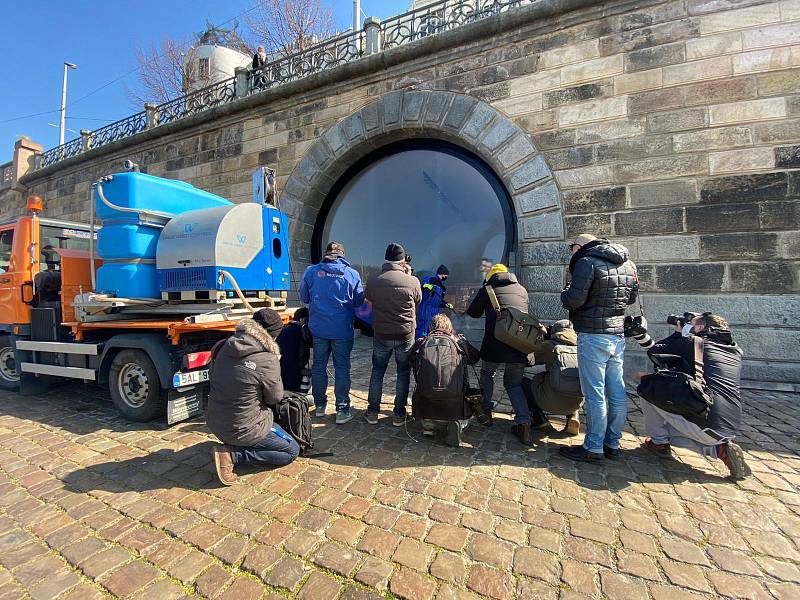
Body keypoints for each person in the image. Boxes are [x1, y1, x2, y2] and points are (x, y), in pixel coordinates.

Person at [639, 313, 750, 480]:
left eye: (691, 323)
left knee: (648, 386)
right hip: (731, 423)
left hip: (707, 419)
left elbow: (655, 352)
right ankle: (719, 448)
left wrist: (678, 333)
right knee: (683, 426)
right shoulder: (734, 350)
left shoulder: (693, 342)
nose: (688, 326)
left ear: (700, 328)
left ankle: (659, 443)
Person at [559, 234, 638, 463]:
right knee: (616, 391)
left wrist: (565, 291)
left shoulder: (587, 262)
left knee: (594, 393)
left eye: (572, 247)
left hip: (593, 335)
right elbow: (631, 298)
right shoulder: (628, 263)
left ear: (581, 246)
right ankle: (612, 443)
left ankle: (593, 447)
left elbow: (573, 300)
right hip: (617, 334)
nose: (572, 252)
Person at [207, 309, 299, 485]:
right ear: (273, 335)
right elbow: (275, 398)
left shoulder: (221, 346)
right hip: (245, 428)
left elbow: (213, 378)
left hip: (215, 422)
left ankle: (233, 446)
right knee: (291, 451)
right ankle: (232, 455)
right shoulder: (267, 359)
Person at [466, 263, 533, 444]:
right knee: (513, 384)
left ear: (491, 277)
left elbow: (472, 313)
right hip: (519, 344)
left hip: (495, 344)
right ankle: (524, 423)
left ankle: (486, 412)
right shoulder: (522, 290)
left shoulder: (488, 290)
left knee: (487, 373)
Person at [299, 242, 364, 424]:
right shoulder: (352, 274)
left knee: (319, 366)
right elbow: (359, 302)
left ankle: (320, 406)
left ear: (326, 253)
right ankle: (342, 410)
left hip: (318, 329)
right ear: (342, 255)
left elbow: (304, 297)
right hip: (342, 329)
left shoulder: (311, 271)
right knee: (342, 368)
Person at [365, 243, 422, 426]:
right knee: (403, 373)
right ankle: (398, 414)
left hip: (381, 334)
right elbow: (418, 300)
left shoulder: (374, 280)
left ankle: (373, 411)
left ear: (385, 259)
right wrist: (408, 276)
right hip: (405, 335)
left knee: (377, 371)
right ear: (403, 261)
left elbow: (369, 298)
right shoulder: (413, 281)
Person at [412, 313, 481, 446]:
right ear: (450, 327)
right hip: (454, 398)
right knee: (465, 392)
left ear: (430, 327)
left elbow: (412, 363)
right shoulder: (459, 342)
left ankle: (428, 423)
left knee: (420, 388)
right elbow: (475, 358)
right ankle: (457, 423)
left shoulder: (421, 343)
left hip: (426, 395)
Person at [524, 319, 583, 435]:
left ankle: (538, 418)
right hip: (576, 403)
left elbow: (528, 361)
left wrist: (538, 343)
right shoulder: (583, 348)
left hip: (549, 401)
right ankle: (573, 416)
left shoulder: (550, 346)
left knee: (520, 382)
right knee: (574, 380)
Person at [276, 307, 312, 393]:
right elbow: (312, 343)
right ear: (304, 320)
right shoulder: (302, 332)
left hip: (281, 374)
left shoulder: (283, 331)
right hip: (296, 375)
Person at [415, 264, 454, 339]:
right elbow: (423, 285)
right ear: (442, 274)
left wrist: (446, 304)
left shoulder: (442, 288)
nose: (446, 277)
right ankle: (418, 346)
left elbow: (439, 301)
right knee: (423, 330)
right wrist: (425, 285)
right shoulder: (431, 279)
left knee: (433, 330)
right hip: (426, 309)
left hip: (435, 312)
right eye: (446, 275)